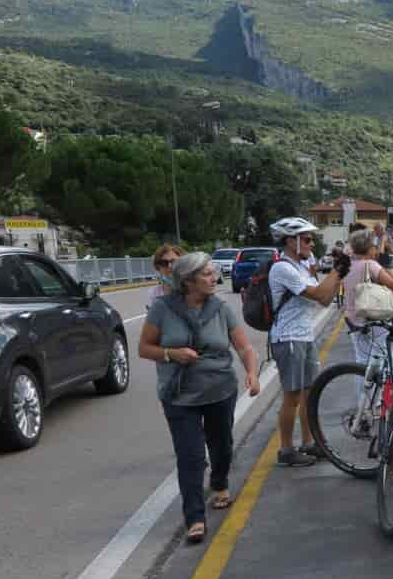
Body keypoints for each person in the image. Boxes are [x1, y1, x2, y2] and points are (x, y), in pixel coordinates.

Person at [139, 253, 260, 543]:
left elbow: (243, 347)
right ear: (188, 281)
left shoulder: (220, 307)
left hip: (219, 389)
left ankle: (219, 483)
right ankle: (194, 516)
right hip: (179, 394)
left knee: (221, 445)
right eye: (206, 273)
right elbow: (145, 348)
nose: (213, 277)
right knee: (190, 456)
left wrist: (252, 374)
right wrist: (172, 354)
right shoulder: (162, 309)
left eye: (212, 272)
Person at [267, 216, 345, 467]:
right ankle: (286, 450)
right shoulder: (283, 268)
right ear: (291, 241)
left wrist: (339, 275)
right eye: (308, 239)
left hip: (305, 335)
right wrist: (336, 270)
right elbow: (321, 293)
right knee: (292, 396)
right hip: (288, 338)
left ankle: (309, 443)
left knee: (309, 393)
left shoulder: (302, 266)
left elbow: (324, 300)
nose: (312, 244)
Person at [343, 227, 393, 364]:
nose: (375, 250)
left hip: (353, 319)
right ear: (369, 248)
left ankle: (364, 385)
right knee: (380, 358)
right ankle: (381, 385)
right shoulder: (371, 265)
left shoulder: (346, 265)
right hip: (374, 318)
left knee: (361, 361)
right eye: (374, 247)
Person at [147, 244, 183, 310]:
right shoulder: (154, 293)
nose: (169, 266)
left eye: (174, 261)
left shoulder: (192, 289)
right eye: (164, 263)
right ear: (158, 268)